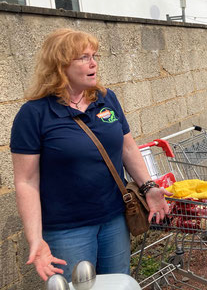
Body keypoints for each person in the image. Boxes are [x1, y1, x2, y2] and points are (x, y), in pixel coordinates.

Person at [10, 28, 171, 282]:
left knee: (117, 284)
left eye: (94, 55)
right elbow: (26, 181)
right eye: (83, 57)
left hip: (115, 220)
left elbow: (128, 148)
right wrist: (36, 238)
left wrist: (149, 187)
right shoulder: (34, 114)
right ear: (60, 65)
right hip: (67, 230)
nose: (93, 63)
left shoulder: (106, 99)